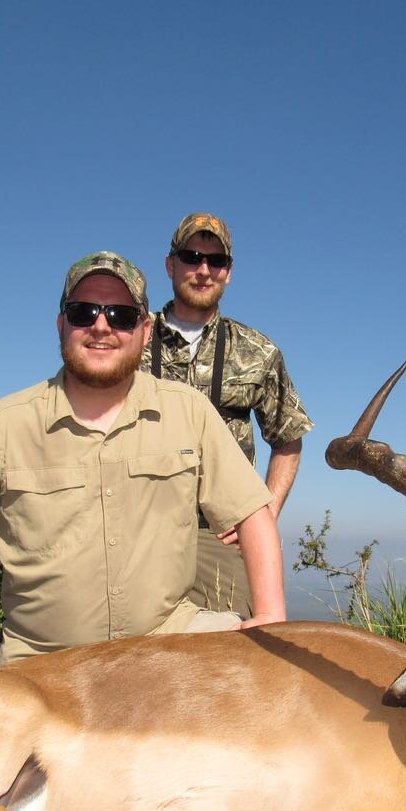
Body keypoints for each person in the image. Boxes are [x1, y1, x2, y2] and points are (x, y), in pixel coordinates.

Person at [0, 251, 286, 662]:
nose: (101, 326)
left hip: (171, 636)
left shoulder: (188, 411)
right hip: (44, 662)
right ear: (62, 324)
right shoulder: (1, 425)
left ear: (145, 329)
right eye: (84, 312)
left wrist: (270, 616)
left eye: (120, 315)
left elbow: (251, 512)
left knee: (276, 688)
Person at [142, 213, 313, 617]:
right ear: (170, 264)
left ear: (228, 273)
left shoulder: (257, 350)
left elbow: (288, 436)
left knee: (236, 659)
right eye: (191, 256)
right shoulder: (130, 337)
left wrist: (263, 516)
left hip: (218, 537)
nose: (203, 270)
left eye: (215, 261)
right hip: (137, 530)